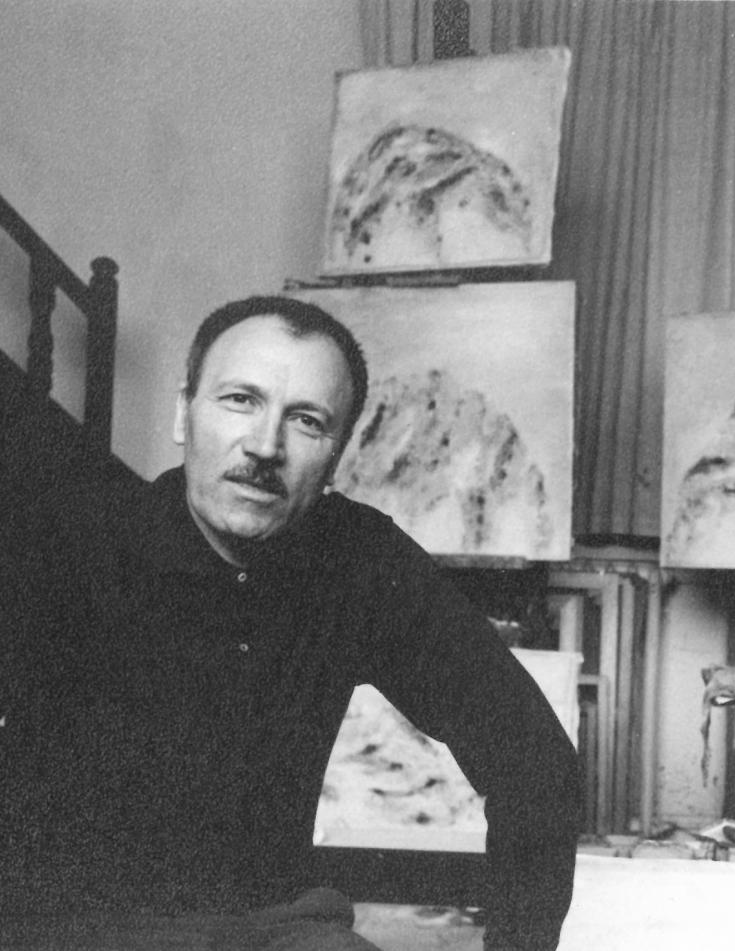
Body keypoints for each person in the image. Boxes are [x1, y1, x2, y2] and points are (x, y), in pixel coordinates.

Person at [0, 295, 581, 950]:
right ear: (183, 414)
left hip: (269, 929)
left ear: (339, 453)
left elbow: (534, 759)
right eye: (239, 400)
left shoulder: (360, 559)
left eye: (306, 420)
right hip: (63, 929)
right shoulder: (69, 546)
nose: (264, 446)